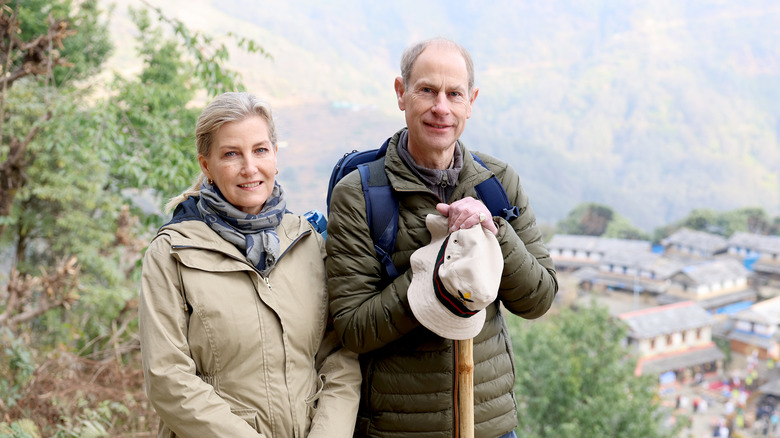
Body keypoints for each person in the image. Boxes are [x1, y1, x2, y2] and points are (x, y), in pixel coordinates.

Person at [326, 38, 558, 437]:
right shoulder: (360, 194)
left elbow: (539, 298)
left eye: (454, 94)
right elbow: (354, 328)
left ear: (471, 101)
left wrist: (494, 233)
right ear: (401, 93)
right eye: (427, 90)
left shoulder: (497, 184)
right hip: (398, 429)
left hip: (491, 425)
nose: (441, 107)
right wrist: (437, 271)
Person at [139, 92, 361, 437]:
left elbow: (338, 358)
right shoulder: (172, 253)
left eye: (260, 150)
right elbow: (168, 379)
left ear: (275, 155)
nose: (249, 168)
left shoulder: (307, 242)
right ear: (206, 165)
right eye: (231, 154)